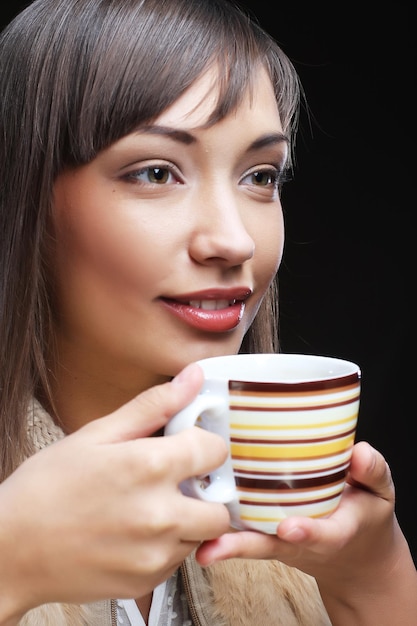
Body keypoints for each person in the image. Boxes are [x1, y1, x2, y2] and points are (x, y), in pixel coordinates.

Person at [0, 0, 416, 624]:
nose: (234, 241)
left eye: (261, 176)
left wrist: (372, 577)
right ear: (24, 198)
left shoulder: (278, 529)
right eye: (157, 172)